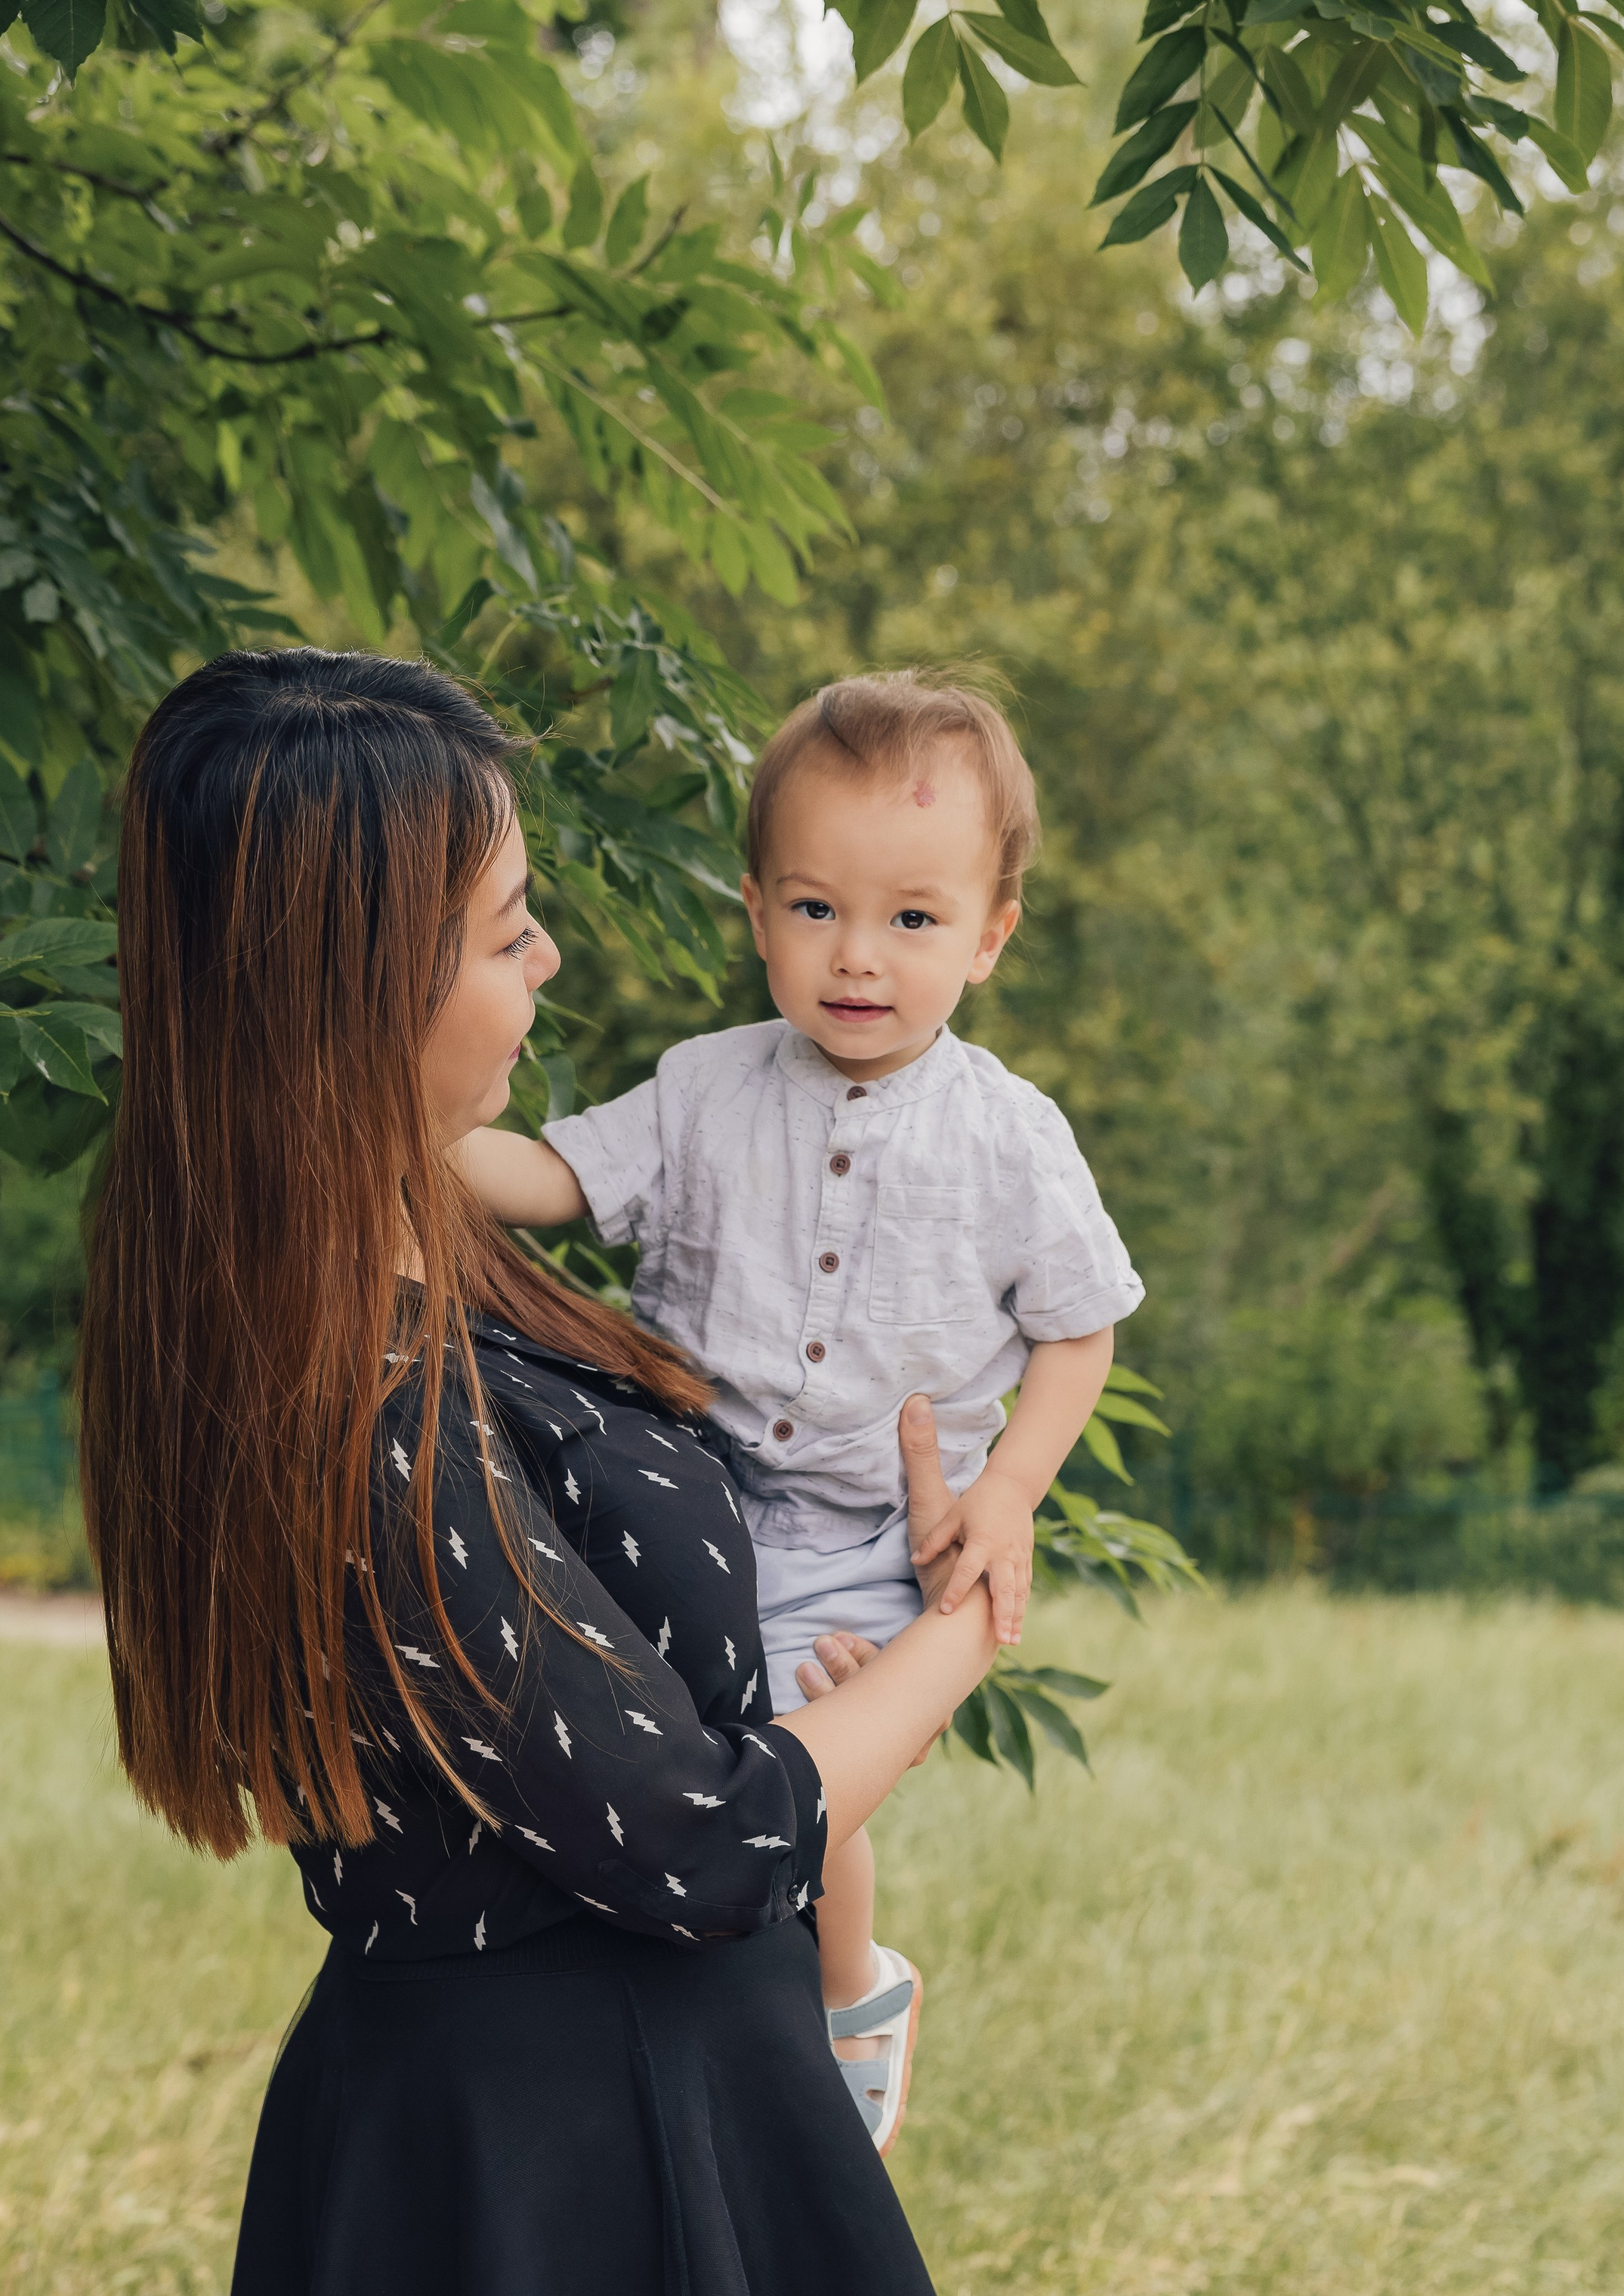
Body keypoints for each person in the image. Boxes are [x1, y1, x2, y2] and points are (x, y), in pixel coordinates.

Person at [76, 647, 1024, 2296]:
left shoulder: (403, 1271)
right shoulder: (370, 1377)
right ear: (365, 974)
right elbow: (701, 1837)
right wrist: (979, 1621)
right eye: (509, 928)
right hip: (593, 2139)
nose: (554, 962)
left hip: (544, 2108)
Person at [460, 672, 1143, 2150]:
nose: (857, 956)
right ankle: (672, 2036)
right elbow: (558, 1184)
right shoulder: (705, 1087)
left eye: (912, 919)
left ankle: (846, 1998)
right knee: (633, 1774)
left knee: (791, 1764)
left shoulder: (1007, 1137)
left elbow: (1076, 1331)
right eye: (815, 909)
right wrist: (408, 1142)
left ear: (987, 939)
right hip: (687, 1494)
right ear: (758, 912)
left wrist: (1009, 1489)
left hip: (856, 1539)